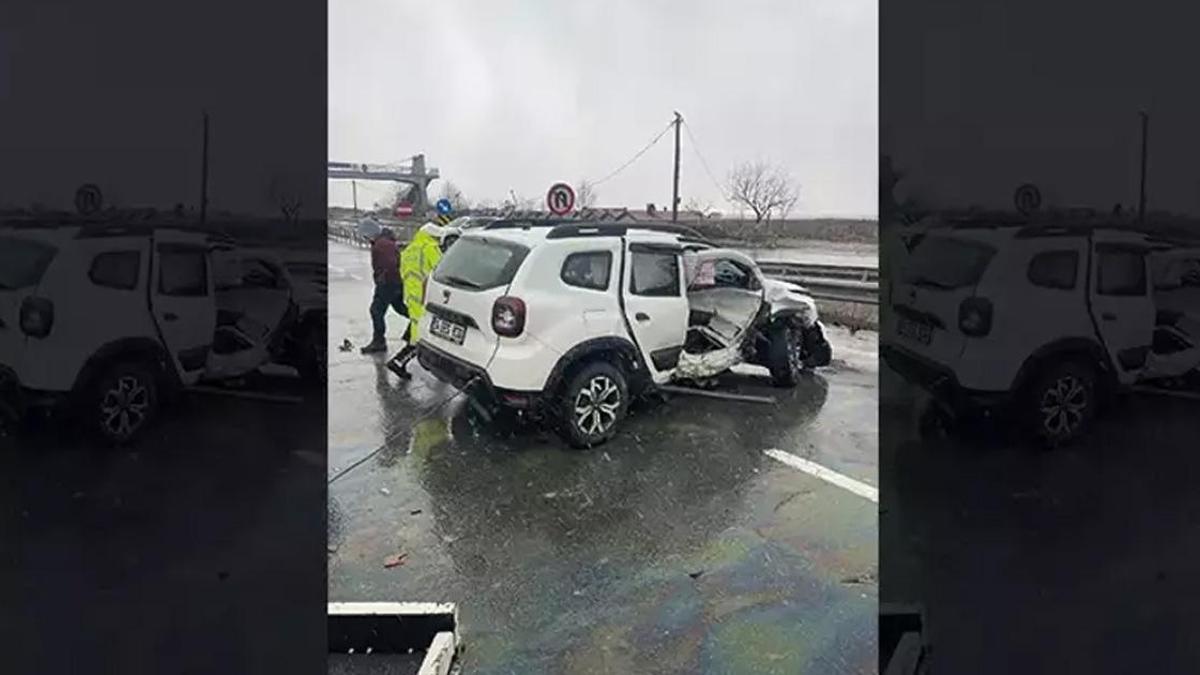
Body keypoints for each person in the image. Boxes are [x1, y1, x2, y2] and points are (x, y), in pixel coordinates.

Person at [386, 222, 461, 378]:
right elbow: (441, 269)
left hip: (411, 294)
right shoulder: (430, 248)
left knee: (417, 324)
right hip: (425, 294)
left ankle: (406, 349)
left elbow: (402, 271)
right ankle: (399, 361)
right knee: (422, 332)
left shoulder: (410, 249)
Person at [359, 223, 406, 354]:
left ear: (370, 233)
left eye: (365, 235)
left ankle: (379, 342)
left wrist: (382, 277)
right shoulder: (384, 242)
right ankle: (419, 323)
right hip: (395, 282)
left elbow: (391, 263)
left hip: (388, 283)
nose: (365, 239)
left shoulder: (382, 245)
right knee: (400, 307)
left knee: (376, 311)